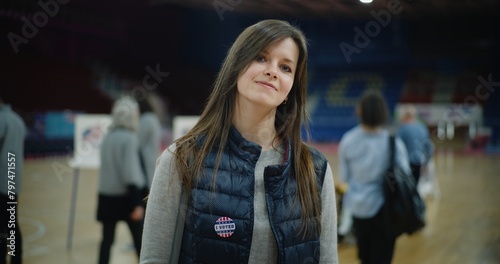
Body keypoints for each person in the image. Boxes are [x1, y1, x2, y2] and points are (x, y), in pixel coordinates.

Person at [140, 19, 338, 263]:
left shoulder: (315, 170)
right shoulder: (181, 158)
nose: (273, 71)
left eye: (286, 67)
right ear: (236, 67)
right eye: (261, 57)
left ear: (291, 88)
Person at [338, 90, 410, 264]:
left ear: (359, 111)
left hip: (358, 208)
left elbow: (344, 179)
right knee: (382, 257)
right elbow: (405, 174)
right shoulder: (392, 142)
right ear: (383, 112)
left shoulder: (348, 140)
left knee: (365, 256)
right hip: (385, 209)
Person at [97, 95, 146, 264]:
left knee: (106, 241)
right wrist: (137, 203)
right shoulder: (130, 139)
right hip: (126, 199)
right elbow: (131, 173)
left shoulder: (108, 138)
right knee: (140, 242)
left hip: (106, 196)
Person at [0, 95, 26, 264]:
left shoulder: (2, 120)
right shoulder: (17, 120)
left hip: (2, 179)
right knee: (11, 222)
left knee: (3, 226)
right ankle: (16, 258)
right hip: (12, 177)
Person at [396, 104, 433, 184]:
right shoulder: (423, 128)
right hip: (419, 163)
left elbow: (396, 149)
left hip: (405, 165)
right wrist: (426, 164)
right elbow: (429, 149)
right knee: (415, 187)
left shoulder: (402, 130)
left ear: (405, 116)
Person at [137, 97, 162, 189]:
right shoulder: (152, 117)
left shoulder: (146, 119)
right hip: (152, 155)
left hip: (147, 157)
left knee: (148, 185)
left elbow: (138, 141)